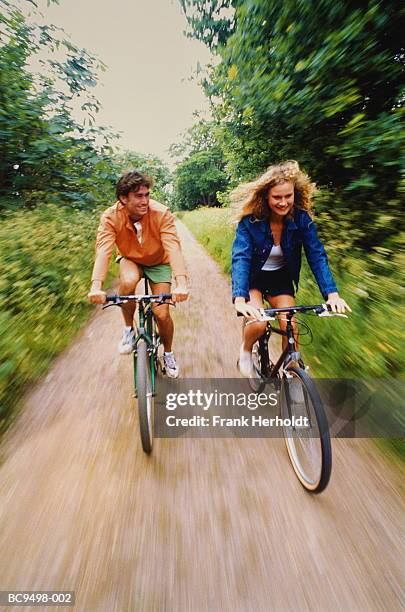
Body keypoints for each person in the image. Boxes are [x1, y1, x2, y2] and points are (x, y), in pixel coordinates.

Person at [231, 160, 351, 378]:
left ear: (295, 194)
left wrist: (332, 295)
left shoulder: (302, 220)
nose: (283, 202)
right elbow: (241, 258)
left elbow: (317, 255)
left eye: (288, 196)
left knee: (291, 327)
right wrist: (240, 298)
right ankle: (246, 350)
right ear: (266, 197)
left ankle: (291, 372)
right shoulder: (250, 223)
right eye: (277, 197)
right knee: (258, 324)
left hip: (280, 280)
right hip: (253, 279)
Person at [88, 170, 188, 378]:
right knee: (128, 281)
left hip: (159, 261)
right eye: (139, 196)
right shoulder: (110, 217)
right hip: (131, 258)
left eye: (147, 195)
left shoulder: (161, 213)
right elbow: (104, 251)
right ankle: (128, 330)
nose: (145, 201)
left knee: (162, 313)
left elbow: (173, 247)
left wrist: (181, 283)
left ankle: (168, 353)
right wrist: (96, 286)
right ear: (123, 198)